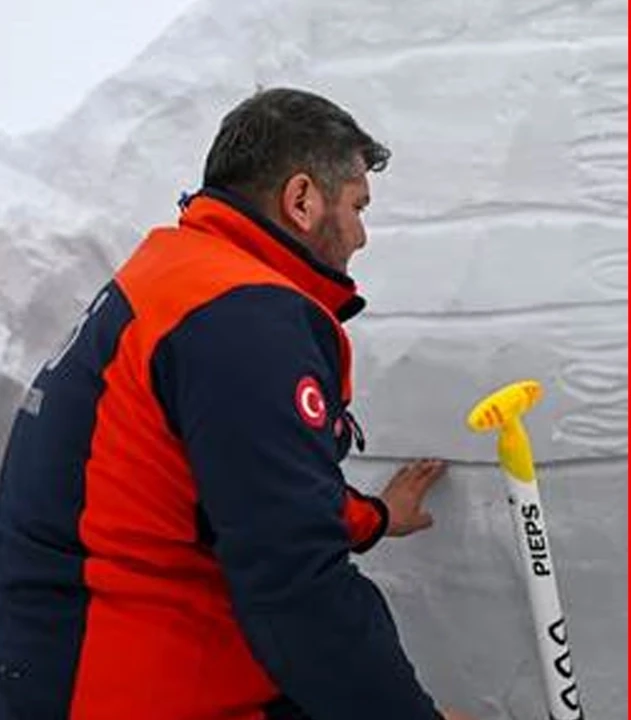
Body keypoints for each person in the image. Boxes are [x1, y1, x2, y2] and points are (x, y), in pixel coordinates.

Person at [0, 88, 473, 720]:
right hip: (115, 681)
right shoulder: (242, 320)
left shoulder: (178, 276)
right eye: (358, 206)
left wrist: (375, 518)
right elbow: (299, 585)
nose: (361, 235)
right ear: (302, 199)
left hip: (71, 653)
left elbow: (238, 487)